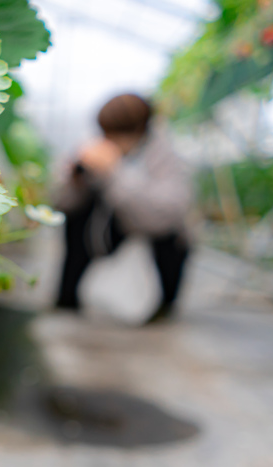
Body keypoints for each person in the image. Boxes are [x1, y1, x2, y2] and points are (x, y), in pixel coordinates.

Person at [53, 93, 194, 323]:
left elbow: (164, 217)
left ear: (141, 129)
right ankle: (68, 295)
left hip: (155, 237)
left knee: (172, 240)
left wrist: (115, 173)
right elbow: (61, 204)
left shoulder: (165, 156)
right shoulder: (95, 147)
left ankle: (162, 304)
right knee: (76, 217)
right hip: (108, 231)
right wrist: (75, 180)